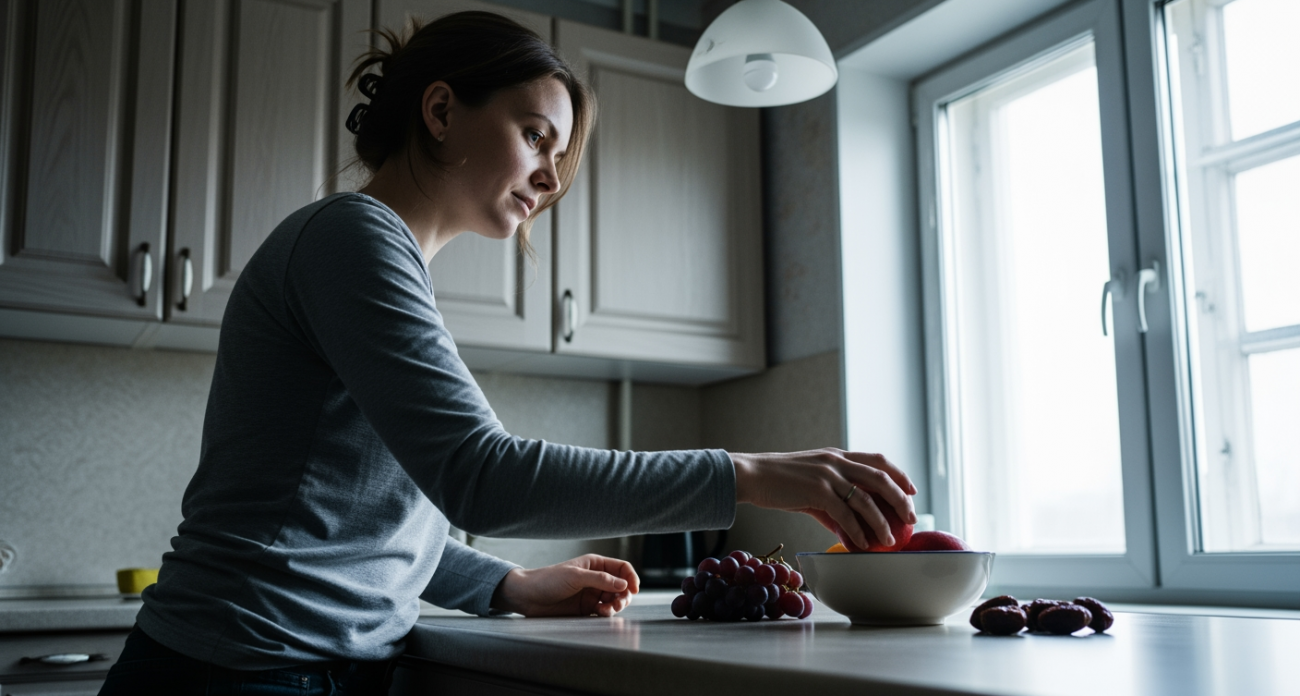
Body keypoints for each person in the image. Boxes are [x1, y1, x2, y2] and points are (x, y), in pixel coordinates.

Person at [98, 11, 917, 696]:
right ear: (441, 110)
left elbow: (356, 522)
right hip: (235, 669)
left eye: (558, 156)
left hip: (285, 665)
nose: (551, 178)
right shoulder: (350, 239)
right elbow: (482, 477)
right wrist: (747, 473)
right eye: (535, 136)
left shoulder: (376, 256)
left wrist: (503, 584)